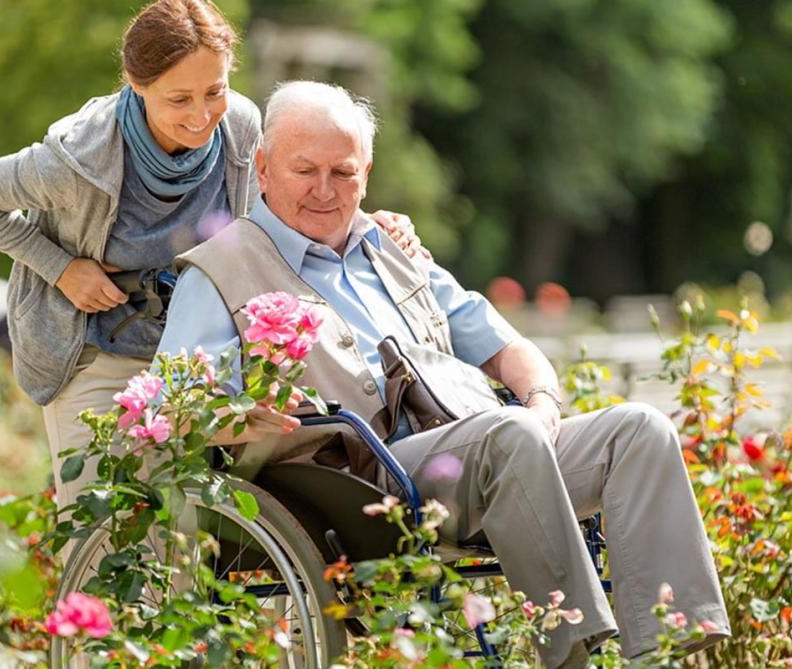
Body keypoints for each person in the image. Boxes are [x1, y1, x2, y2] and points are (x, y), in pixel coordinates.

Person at [156, 80, 730, 667]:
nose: (325, 190)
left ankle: (668, 650)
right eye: (305, 170)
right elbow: (175, 406)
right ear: (265, 167)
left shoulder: (392, 249)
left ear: (368, 171)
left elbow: (509, 346)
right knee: (510, 434)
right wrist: (242, 418)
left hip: (483, 455)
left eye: (344, 172)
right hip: (356, 485)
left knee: (639, 430)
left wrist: (542, 402)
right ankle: (571, 654)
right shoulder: (220, 270)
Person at [0, 0, 423, 510]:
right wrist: (61, 269)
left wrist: (366, 223)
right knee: (105, 527)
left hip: (196, 353)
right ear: (137, 83)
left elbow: (281, 203)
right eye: (179, 99)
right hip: (97, 353)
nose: (201, 116)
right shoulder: (79, 157)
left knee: (190, 534)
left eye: (214, 91)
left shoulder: (239, 125)